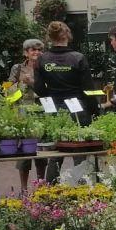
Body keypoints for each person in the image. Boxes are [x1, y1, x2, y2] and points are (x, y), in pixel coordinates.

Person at [35, 21, 92, 181]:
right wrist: (93, 111)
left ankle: (50, 188)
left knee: (55, 153)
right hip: (77, 109)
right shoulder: (78, 58)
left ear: (50, 37)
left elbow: (39, 89)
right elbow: (88, 89)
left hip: (54, 109)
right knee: (79, 151)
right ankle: (82, 187)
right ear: (67, 35)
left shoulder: (42, 60)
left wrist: (52, 96)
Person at [6, 38, 45, 192]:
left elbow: (47, 88)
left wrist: (32, 83)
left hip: (41, 111)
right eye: (33, 50)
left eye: (39, 50)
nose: (37, 52)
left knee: (41, 151)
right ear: (26, 53)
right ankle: (24, 189)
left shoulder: (45, 67)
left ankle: (41, 188)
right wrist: (21, 84)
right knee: (24, 151)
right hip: (23, 113)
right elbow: (9, 91)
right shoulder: (17, 68)